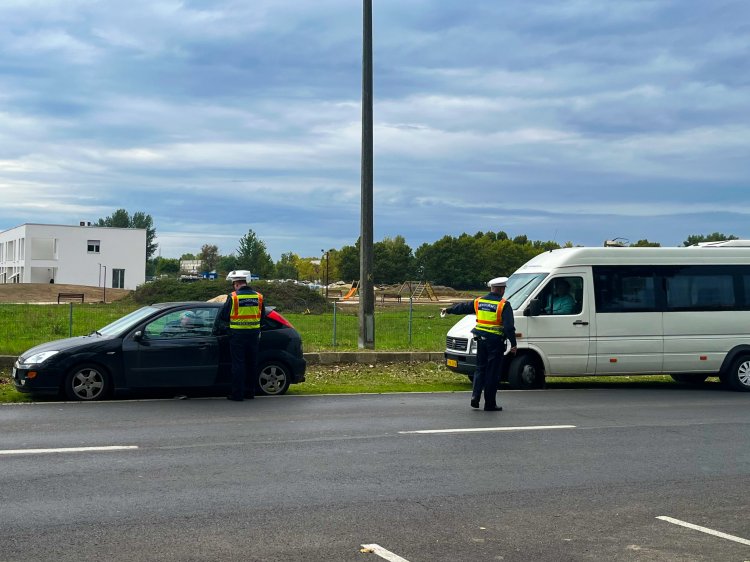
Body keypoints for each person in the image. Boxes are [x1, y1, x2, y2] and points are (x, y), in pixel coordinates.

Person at [441, 277, 517, 411]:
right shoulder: (504, 305)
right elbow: (509, 327)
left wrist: (449, 310)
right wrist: (514, 344)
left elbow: (463, 307)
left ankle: (475, 397)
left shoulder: (479, 301)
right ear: (500, 289)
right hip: (495, 342)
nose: (504, 291)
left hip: (480, 341)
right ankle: (490, 403)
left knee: (480, 369)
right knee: (492, 373)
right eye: (503, 289)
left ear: (492, 289)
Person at [220, 270, 266, 401]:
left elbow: (224, 316)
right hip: (254, 335)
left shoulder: (233, 297)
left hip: (237, 335)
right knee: (251, 363)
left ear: (236, 284)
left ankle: (237, 394)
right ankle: (250, 392)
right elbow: (263, 317)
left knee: (238, 364)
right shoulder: (259, 297)